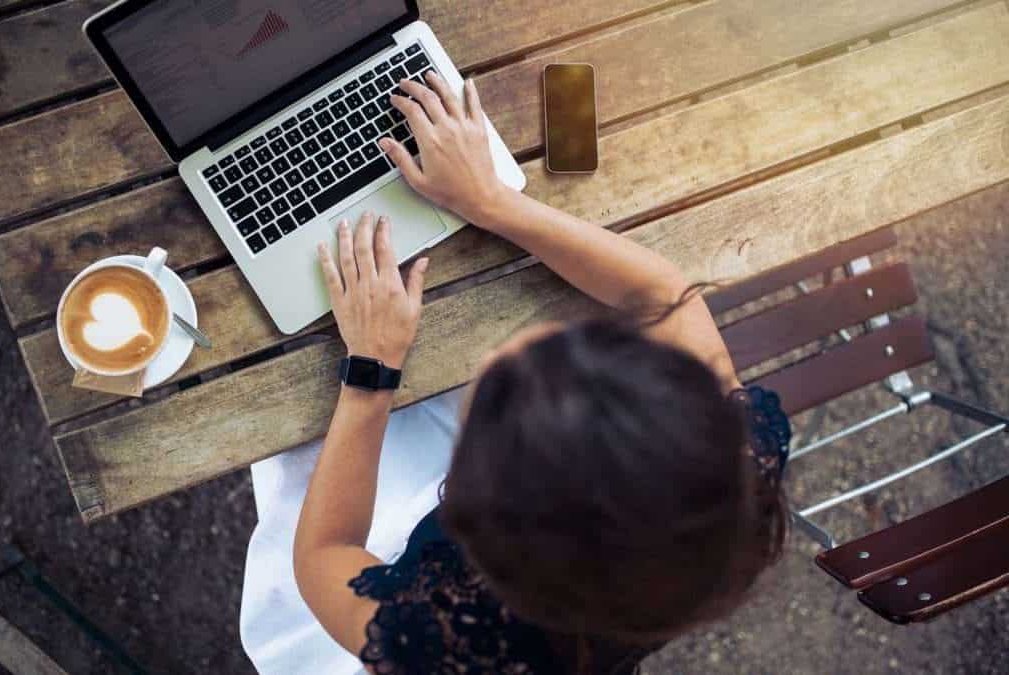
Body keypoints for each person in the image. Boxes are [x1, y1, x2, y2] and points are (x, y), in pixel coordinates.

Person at [239, 73, 790, 675]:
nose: (509, 348)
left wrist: (372, 366)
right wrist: (493, 201)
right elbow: (663, 295)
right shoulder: (732, 470)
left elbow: (324, 554)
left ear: (477, 515)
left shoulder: (444, 639)